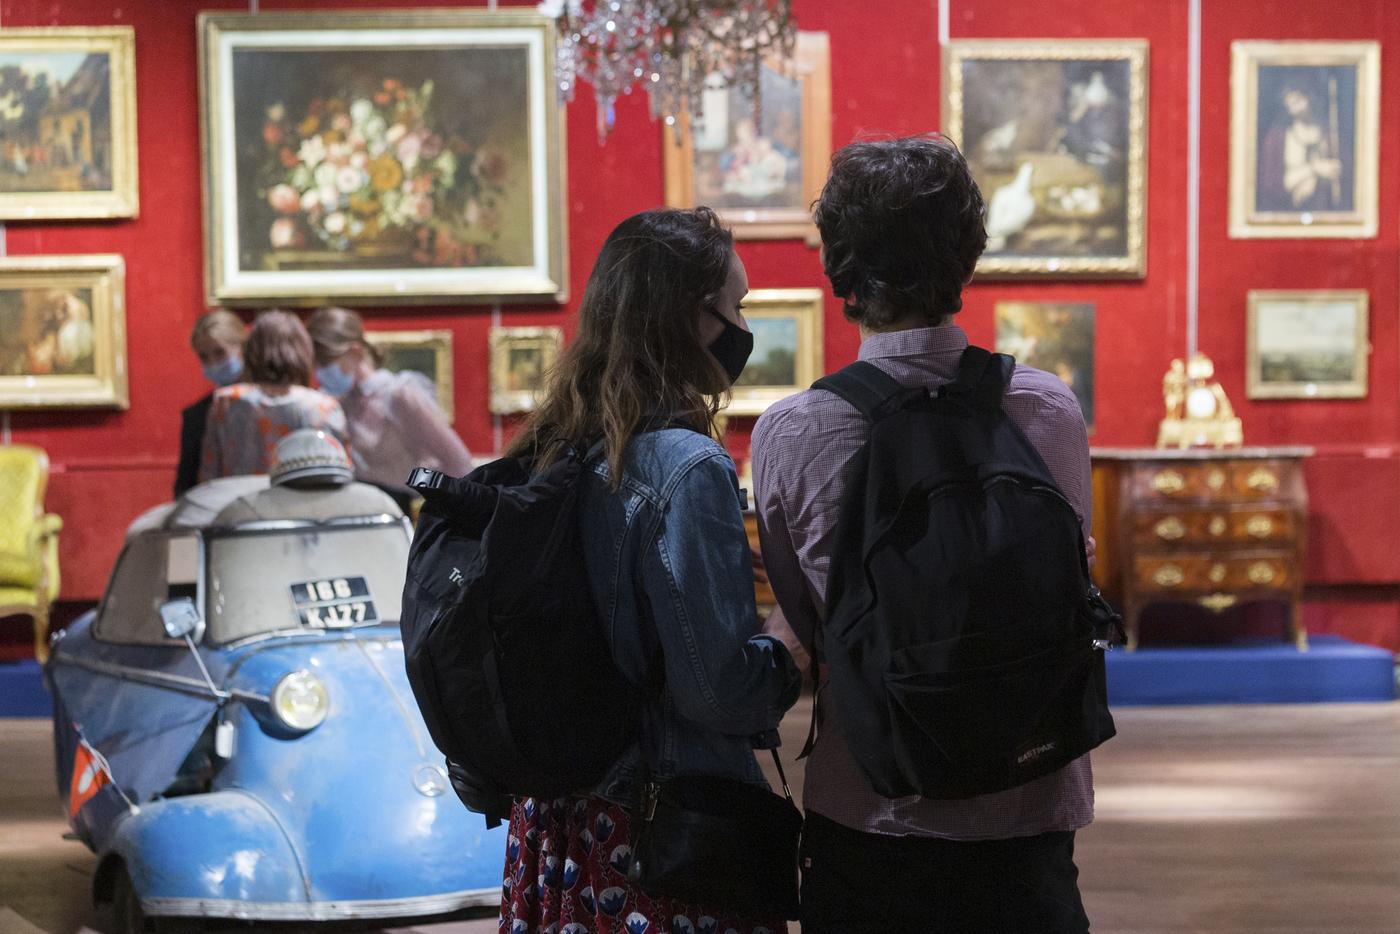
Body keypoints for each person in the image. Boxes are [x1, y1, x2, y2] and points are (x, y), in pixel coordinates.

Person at [751, 135, 1096, 933]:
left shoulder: (794, 430)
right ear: (967, 257)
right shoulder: (1049, 411)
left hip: (874, 809)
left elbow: (808, 623)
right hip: (1030, 798)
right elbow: (1072, 579)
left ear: (840, 268)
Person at [498, 206, 802, 933]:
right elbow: (720, 691)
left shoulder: (551, 444)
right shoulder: (684, 464)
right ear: (691, 317)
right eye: (737, 307)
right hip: (658, 833)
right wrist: (788, 649)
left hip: (558, 824)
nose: (741, 327)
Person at [307, 307, 472, 506]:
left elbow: (459, 462)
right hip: (360, 508)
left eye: (326, 362)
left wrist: (423, 496)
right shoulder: (339, 402)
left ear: (355, 352)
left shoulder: (399, 394)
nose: (320, 372)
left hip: (400, 509)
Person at [199, 310, 347, 482]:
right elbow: (339, 474)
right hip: (303, 505)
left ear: (252, 351)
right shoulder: (323, 407)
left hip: (240, 504)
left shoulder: (225, 401)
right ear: (302, 350)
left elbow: (209, 474)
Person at [176, 310, 246, 496]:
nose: (213, 362)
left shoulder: (268, 405)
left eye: (220, 352)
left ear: (241, 347)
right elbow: (186, 485)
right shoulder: (197, 415)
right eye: (204, 357)